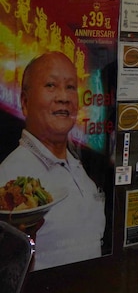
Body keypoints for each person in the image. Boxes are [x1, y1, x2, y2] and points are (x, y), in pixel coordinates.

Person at [0, 52, 105, 270]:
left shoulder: (76, 164)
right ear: (25, 102)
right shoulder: (11, 179)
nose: (64, 97)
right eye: (51, 85)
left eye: (70, 87)